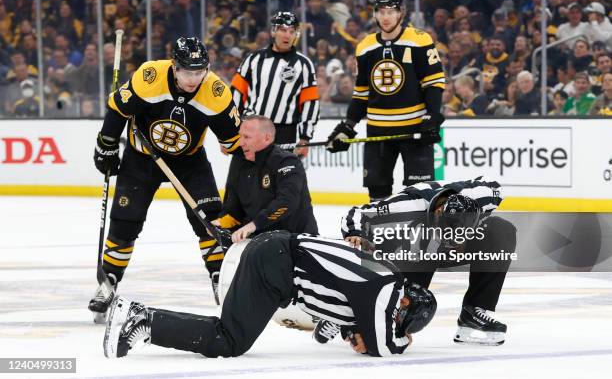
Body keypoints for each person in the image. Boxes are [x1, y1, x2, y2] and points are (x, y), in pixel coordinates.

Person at [88, 37, 242, 318]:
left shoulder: (216, 91)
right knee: (125, 220)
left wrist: (236, 146)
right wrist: (106, 144)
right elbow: (119, 109)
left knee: (210, 219)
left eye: (200, 71)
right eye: (187, 72)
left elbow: (234, 141)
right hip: (140, 158)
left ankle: (220, 276)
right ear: (174, 67)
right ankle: (108, 281)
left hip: (188, 161)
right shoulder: (150, 76)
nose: (194, 78)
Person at [103, 231, 437, 358]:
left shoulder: (384, 274)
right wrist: (403, 341)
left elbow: (347, 311)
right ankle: (142, 319)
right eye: (399, 320)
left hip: (278, 255)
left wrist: (350, 329)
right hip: (277, 264)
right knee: (230, 341)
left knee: (230, 334)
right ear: (405, 302)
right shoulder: (386, 288)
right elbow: (383, 347)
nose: (394, 322)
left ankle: (145, 320)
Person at [314, 177, 515, 346]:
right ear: (437, 214)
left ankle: (474, 313)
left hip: (435, 248)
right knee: (411, 305)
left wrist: (460, 238)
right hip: (411, 251)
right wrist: (355, 233)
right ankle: (345, 315)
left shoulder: (482, 197)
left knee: (501, 230)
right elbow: (356, 212)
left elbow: (494, 185)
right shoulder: (405, 206)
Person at [326, 0, 446, 201]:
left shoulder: (419, 40)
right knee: (377, 193)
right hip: (378, 130)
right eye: (381, 11)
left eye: (391, 11)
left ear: (401, 12)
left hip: (414, 128)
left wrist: (432, 116)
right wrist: (348, 126)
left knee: (419, 193)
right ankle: (379, 234)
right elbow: (361, 93)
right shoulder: (365, 47)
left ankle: (420, 235)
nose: (386, 17)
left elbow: (433, 83)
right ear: (374, 14)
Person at [212, 115, 318, 243]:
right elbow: (234, 209)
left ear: (267, 137)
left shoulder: (287, 161)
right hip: (260, 243)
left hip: (296, 241)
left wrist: (254, 224)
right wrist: (221, 223)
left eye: (247, 137)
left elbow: (287, 202)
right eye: (240, 136)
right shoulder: (239, 162)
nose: (241, 142)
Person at [231, 11, 320, 157]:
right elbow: (236, 94)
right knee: (242, 178)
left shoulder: (304, 65)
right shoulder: (254, 59)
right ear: (273, 31)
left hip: (285, 133)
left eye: (292, 31)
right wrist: (231, 132)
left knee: (279, 179)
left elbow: (310, 103)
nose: (287, 35)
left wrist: (305, 138)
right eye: (283, 30)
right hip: (252, 129)